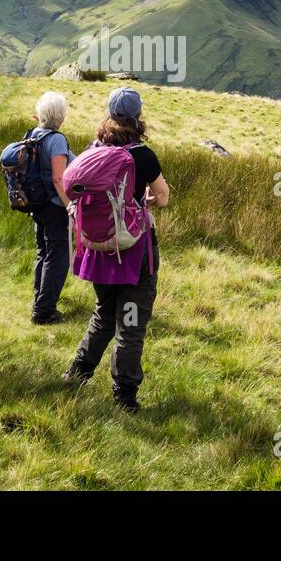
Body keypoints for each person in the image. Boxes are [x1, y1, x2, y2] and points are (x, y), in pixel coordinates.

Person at [64, 87, 169, 414]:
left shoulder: (93, 149)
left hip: (98, 246)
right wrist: (145, 201)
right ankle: (124, 396)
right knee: (131, 320)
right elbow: (162, 196)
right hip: (135, 249)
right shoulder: (143, 155)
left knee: (105, 311)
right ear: (137, 116)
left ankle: (77, 373)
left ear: (109, 114)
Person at [27, 91, 74, 325]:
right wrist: (70, 207)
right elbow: (58, 178)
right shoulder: (56, 139)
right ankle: (44, 311)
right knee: (57, 256)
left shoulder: (35, 134)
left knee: (43, 252)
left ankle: (39, 301)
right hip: (55, 206)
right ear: (60, 115)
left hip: (39, 204)